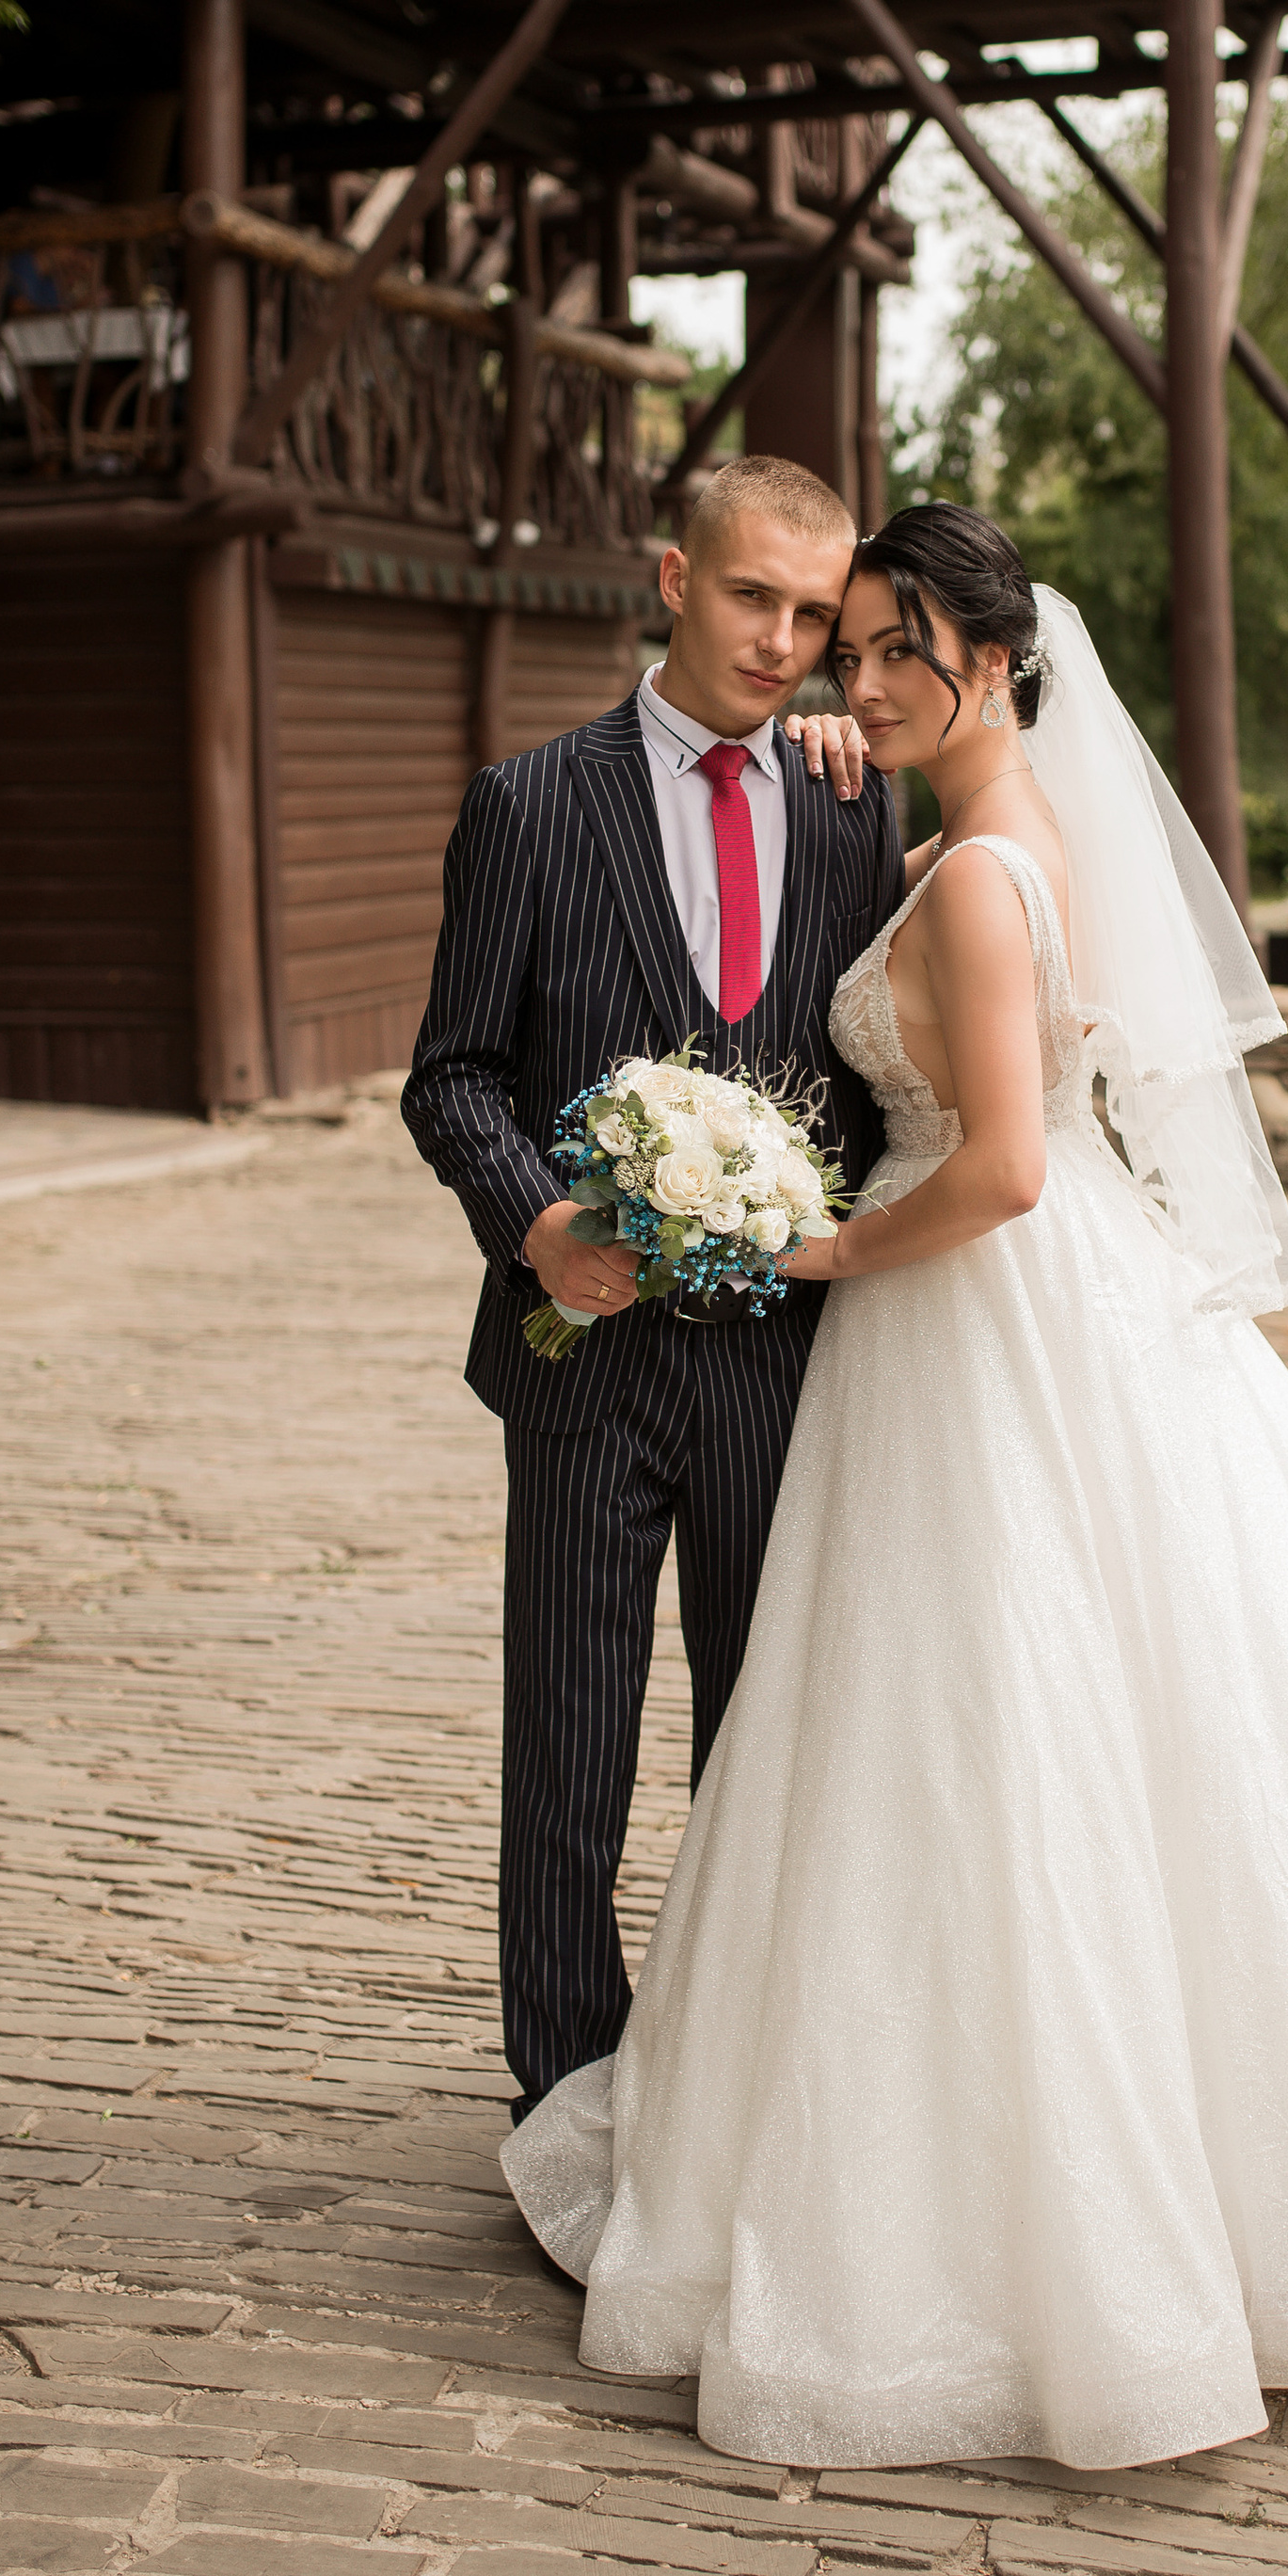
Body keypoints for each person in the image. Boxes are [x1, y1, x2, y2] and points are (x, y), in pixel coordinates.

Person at [500, 503, 1288, 2473]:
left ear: (996, 659)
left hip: (976, 1304)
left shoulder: (979, 878)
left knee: (999, 1736)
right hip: (996, 1328)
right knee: (990, 1739)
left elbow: (995, 1170)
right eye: (847, 647)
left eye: (899, 648)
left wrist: (790, 1254)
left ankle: (1053, 2219)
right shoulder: (966, 842)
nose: (859, 678)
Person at [402, 457, 904, 2122]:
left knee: (766, 1751)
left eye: (814, 616)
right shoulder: (530, 803)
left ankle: (729, 2091)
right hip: (585, 1356)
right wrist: (540, 1222)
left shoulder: (850, 798)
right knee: (570, 1747)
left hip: (788, 1359)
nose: (781, 640)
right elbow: (453, 1074)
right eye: (753, 595)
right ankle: (564, 2092)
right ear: (674, 575)